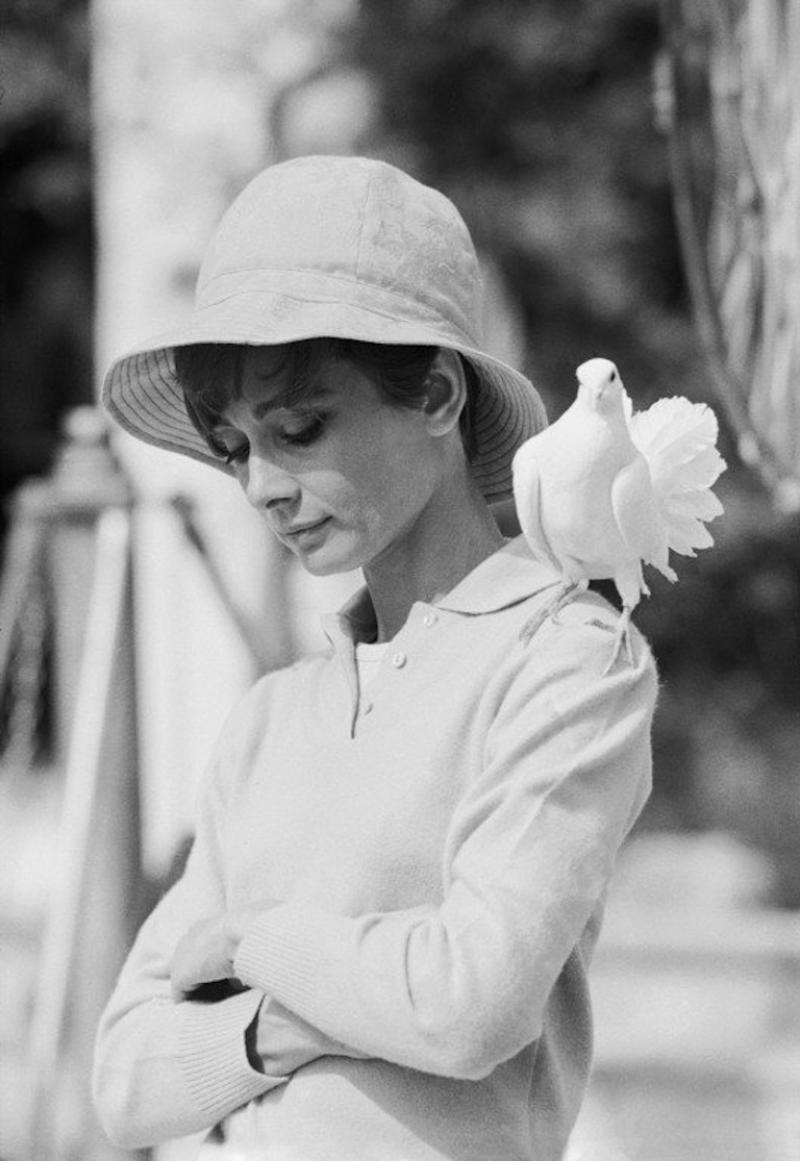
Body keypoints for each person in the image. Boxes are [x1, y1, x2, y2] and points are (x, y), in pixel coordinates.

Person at [93, 154, 657, 1161]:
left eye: (299, 428)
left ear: (436, 393)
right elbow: (126, 1079)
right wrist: (281, 1025)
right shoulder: (269, 717)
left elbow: (471, 1003)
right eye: (232, 447)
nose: (261, 485)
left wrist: (247, 938)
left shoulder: (566, 658)